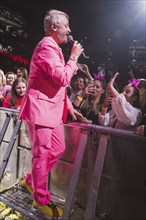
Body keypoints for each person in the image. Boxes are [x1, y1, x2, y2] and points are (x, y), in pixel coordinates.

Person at [18, 9, 84, 219]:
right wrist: (73, 58)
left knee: (58, 148)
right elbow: (61, 78)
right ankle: (41, 199)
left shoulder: (53, 47)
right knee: (43, 154)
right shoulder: (47, 45)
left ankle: (30, 180)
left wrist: (69, 106)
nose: (69, 30)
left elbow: (55, 84)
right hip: (41, 111)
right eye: (66, 25)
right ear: (54, 27)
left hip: (51, 111)